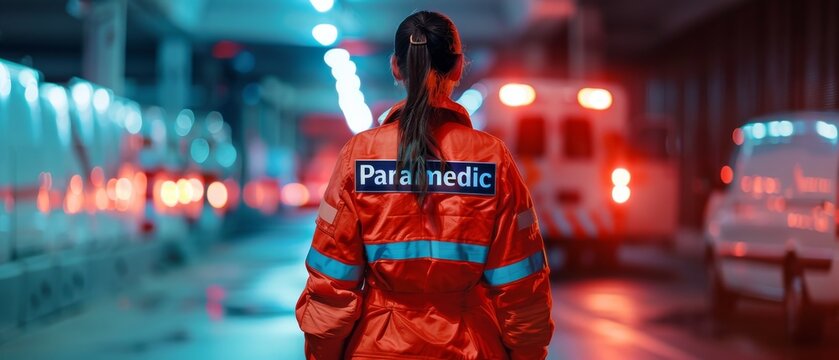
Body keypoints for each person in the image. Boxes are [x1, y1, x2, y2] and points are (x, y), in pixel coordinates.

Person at [296, 10, 554, 360]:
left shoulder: (360, 155)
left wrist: (322, 354)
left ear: (396, 67)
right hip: (469, 348)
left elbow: (331, 282)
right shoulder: (491, 158)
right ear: (459, 67)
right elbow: (522, 286)